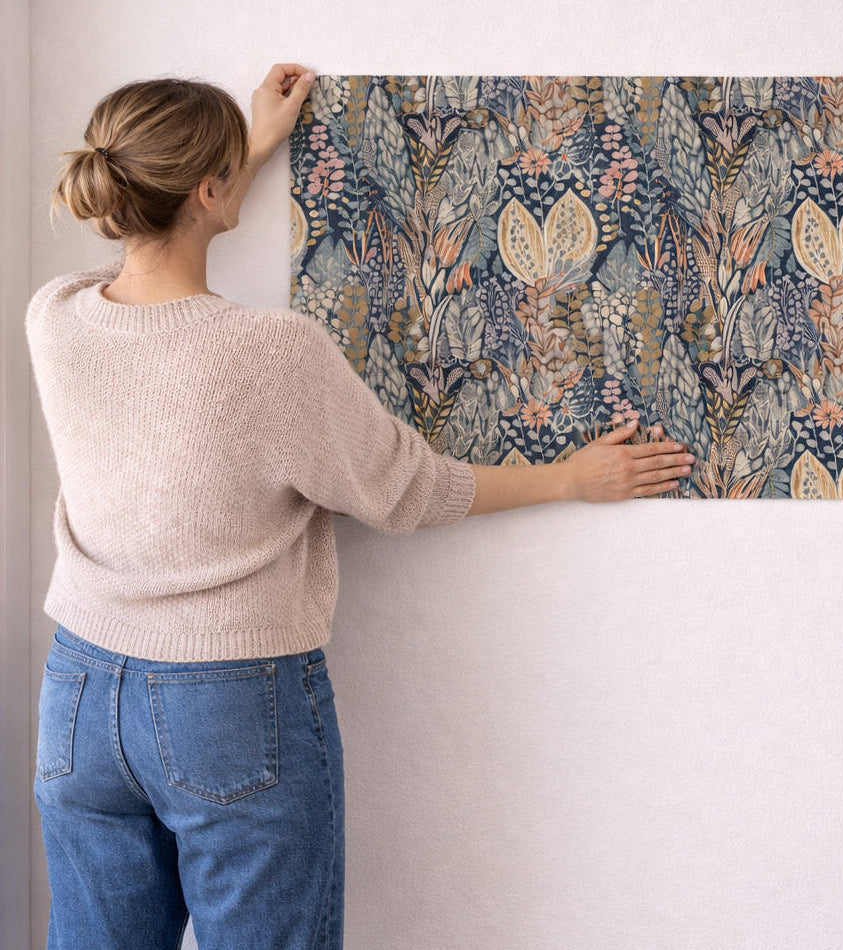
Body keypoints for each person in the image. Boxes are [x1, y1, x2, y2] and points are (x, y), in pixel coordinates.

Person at [27, 64, 695, 950]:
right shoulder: (272, 355)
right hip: (225, 703)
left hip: (76, 697)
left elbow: (146, 270)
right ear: (204, 188)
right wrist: (570, 479)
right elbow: (407, 490)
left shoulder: (57, 315)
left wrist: (242, 155)